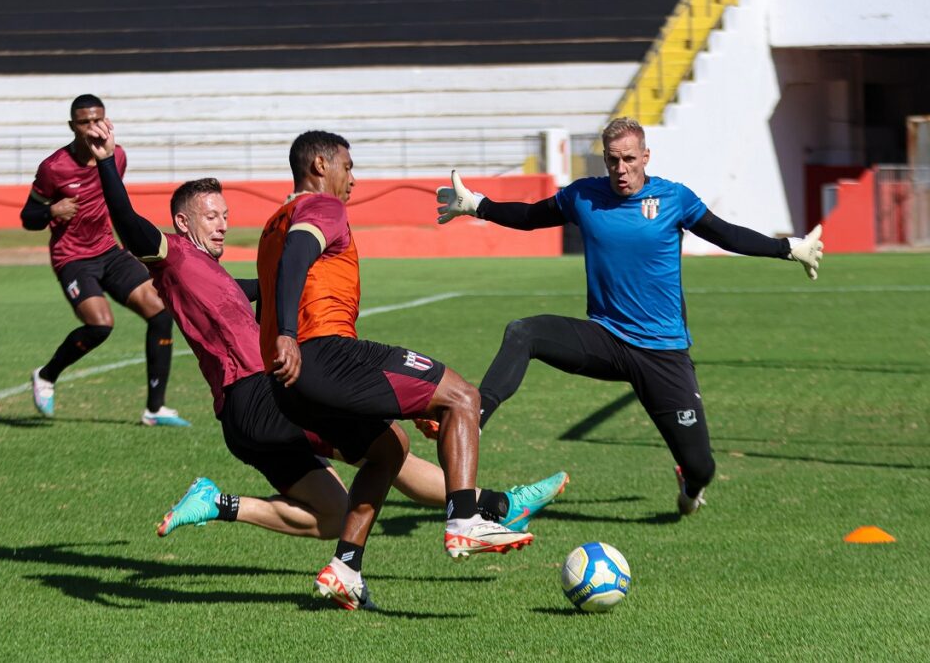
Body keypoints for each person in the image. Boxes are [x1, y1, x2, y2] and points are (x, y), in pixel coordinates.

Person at [84, 121, 567, 611]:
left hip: (247, 410)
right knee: (422, 425)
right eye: (210, 216)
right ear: (183, 224)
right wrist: (105, 161)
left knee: (363, 480)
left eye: (225, 214)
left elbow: (272, 280)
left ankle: (314, 551)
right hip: (264, 392)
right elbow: (127, 219)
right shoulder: (174, 255)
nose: (223, 224)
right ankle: (485, 508)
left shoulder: (219, 271)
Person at [434, 117, 824, 517]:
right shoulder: (583, 196)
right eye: (612, 160)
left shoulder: (675, 199)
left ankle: (689, 485)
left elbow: (725, 234)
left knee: (702, 467)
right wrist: (478, 205)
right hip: (607, 340)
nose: (621, 169)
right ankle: (474, 417)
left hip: (662, 354)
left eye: (629, 160)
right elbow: (531, 216)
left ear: (646, 156)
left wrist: (788, 248)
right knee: (523, 332)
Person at [256, 130, 553, 573]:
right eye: (348, 166)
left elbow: (273, 286)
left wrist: (402, 396)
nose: (352, 178)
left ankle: (344, 568)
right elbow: (301, 254)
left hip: (288, 386)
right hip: (322, 353)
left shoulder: (274, 223)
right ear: (320, 166)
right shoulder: (322, 207)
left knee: (388, 450)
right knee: (463, 396)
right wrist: (286, 333)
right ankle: (465, 519)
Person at [20, 94, 188, 427]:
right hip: (73, 258)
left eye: (98, 120)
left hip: (109, 250)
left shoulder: (117, 156)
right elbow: (28, 216)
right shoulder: (53, 168)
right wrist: (52, 210)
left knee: (160, 311)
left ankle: (155, 410)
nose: (93, 127)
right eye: (84, 122)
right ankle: (46, 375)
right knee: (100, 325)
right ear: (73, 127)